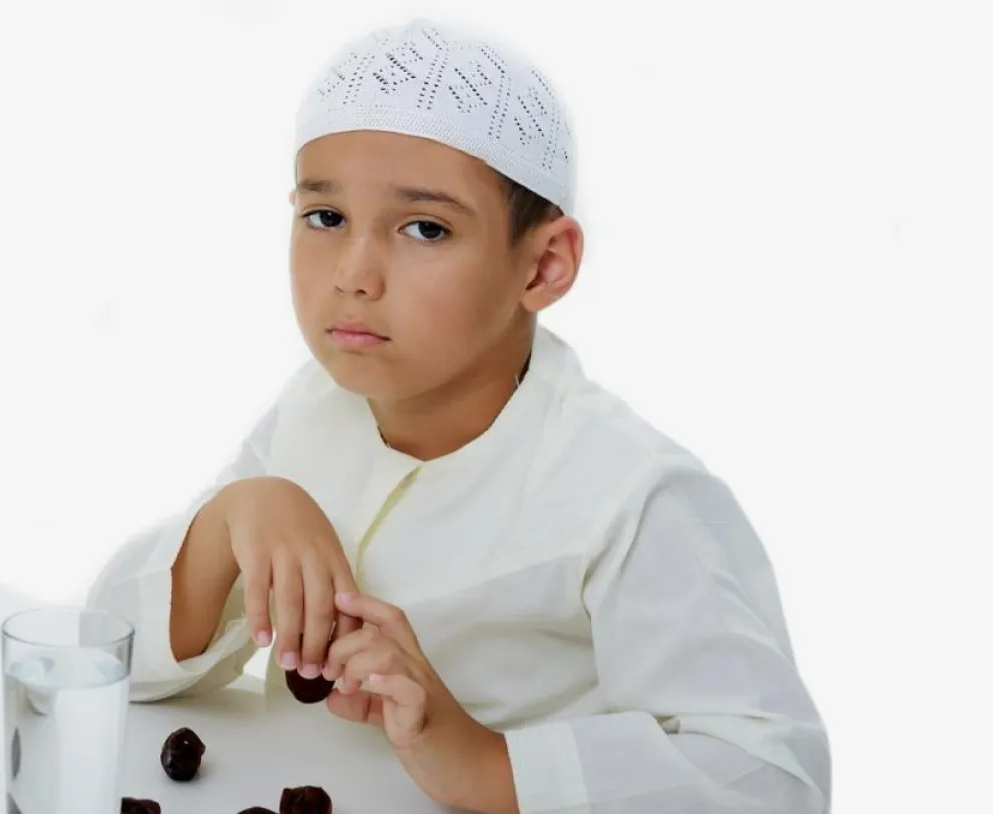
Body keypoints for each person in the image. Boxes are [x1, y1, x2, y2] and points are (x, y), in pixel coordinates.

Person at [85, 17, 830, 814]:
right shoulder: (315, 410)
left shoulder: (634, 498)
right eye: (325, 217)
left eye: (425, 228)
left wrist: (483, 762)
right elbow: (96, 658)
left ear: (543, 265)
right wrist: (231, 520)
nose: (354, 275)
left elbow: (775, 776)